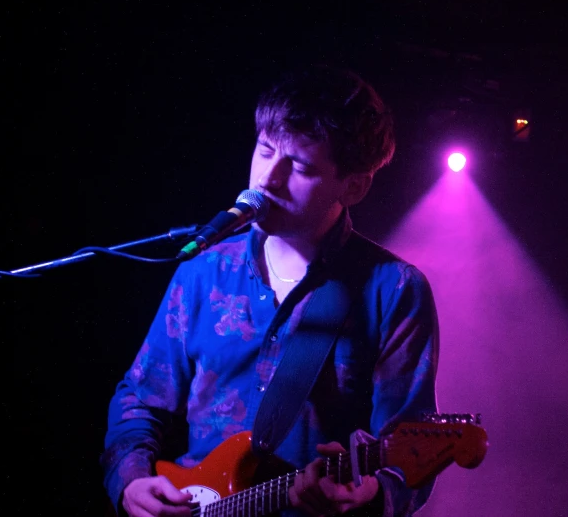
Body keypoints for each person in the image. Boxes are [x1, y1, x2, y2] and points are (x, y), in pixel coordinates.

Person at [100, 65, 440, 517]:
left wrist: (371, 497)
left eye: (298, 166)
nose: (268, 179)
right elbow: (140, 398)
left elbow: (411, 443)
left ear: (354, 185)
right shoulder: (204, 271)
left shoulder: (394, 290)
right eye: (264, 151)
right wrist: (132, 481)